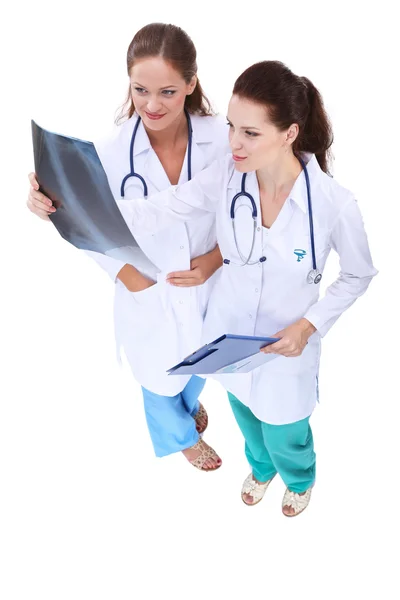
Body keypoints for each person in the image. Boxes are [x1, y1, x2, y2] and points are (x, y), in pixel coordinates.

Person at [116, 60, 378, 516]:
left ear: (290, 133)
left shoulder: (335, 205)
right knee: (247, 420)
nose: (233, 142)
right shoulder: (229, 174)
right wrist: (68, 206)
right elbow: (164, 207)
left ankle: (299, 477)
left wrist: (309, 325)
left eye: (250, 133)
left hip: (286, 348)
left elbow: (357, 275)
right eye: (233, 126)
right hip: (229, 335)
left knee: (284, 430)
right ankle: (260, 469)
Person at [27, 23, 231, 471]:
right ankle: (180, 437)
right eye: (141, 89)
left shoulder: (223, 136)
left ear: (191, 84)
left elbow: (247, 206)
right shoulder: (108, 153)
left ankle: (186, 406)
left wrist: (214, 262)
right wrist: (129, 276)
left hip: (212, 277)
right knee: (158, 377)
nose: (152, 105)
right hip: (148, 287)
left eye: (168, 92)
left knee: (208, 358)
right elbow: (86, 224)